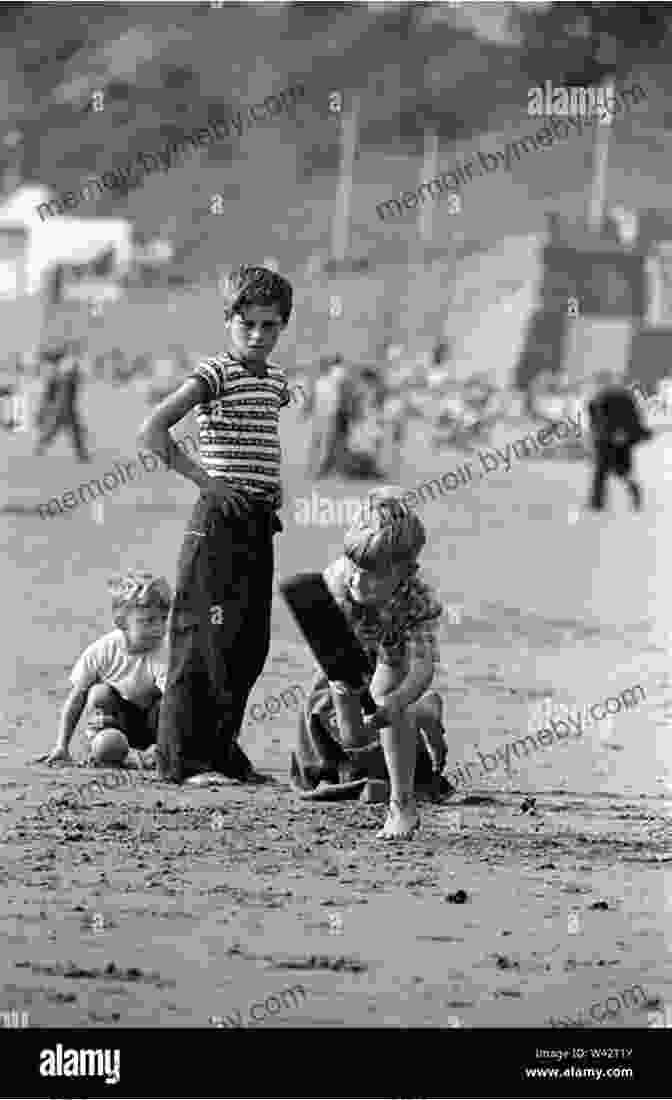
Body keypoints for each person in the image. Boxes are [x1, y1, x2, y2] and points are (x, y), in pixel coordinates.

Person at [138, 264, 293, 784]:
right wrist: (204, 481)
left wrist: (271, 485)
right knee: (200, 637)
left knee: (247, 642)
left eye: (269, 326)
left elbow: (260, 438)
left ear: (282, 327)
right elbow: (155, 429)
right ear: (229, 320)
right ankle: (182, 761)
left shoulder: (275, 381)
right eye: (247, 323)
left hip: (257, 520)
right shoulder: (213, 373)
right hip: (218, 521)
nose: (257, 335)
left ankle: (222, 749)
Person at [311, 485, 448, 839]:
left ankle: (402, 806)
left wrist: (400, 700)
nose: (358, 579)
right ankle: (424, 713)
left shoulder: (418, 599)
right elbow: (328, 647)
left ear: (405, 572)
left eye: (373, 574)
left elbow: (422, 666)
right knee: (355, 737)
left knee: (386, 698)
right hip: (352, 651)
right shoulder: (339, 580)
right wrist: (341, 679)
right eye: (355, 566)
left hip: (394, 652)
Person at [38, 571, 171, 767]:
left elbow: (175, 702)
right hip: (119, 727)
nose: (159, 628)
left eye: (163, 618)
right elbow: (76, 698)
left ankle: (157, 753)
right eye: (148, 621)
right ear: (121, 623)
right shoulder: (102, 651)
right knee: (99, 693)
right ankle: (104, 750)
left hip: (155, 727)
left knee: (167, 702)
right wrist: (62, 746)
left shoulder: (164, 652)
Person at [587, 370, 652, 511]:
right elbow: (595, 421)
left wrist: (636, 433)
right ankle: (597, 504)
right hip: (608, 440)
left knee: (615, 472)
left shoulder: (620, 398)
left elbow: (632, 419)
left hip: (616, 441)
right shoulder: (599, 399)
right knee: (604, 472)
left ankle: (599, 503)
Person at [34, 342, 90, 461]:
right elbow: (51, 391)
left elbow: (75, 382)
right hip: (62, 407)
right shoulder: (63, 369)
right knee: (60, 430)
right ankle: (41, 445)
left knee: (70, 431)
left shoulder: (66, 368)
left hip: (66, 406)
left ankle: (81, 455)